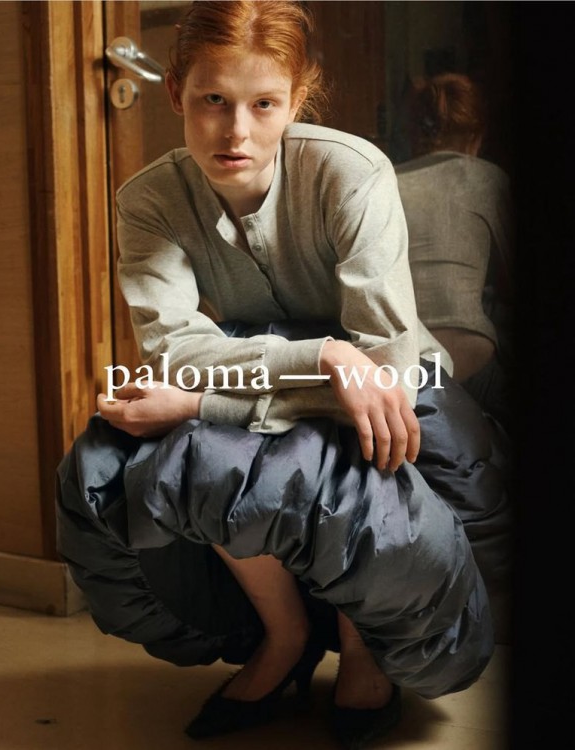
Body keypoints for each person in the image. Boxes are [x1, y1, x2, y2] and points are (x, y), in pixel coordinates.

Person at [61, 3, 501, 747]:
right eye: (213, 99)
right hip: (290, 370)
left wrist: (201, 402)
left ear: (297, 100)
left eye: (263, 104)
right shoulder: (147, 201)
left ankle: (361, 647)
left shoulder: (351, 172)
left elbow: (385, 366)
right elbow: (173, 351)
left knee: (345, 435)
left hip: (392, 388)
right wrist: (321, 356)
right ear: (175, 93)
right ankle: (285, 634)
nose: (236, 132)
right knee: (183, 458)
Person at [394, 72, 515, 430]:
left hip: (407, 370)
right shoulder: (489, 178)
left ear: (415, 132)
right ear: (476, 134)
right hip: (472, 362)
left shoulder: (385, 180)